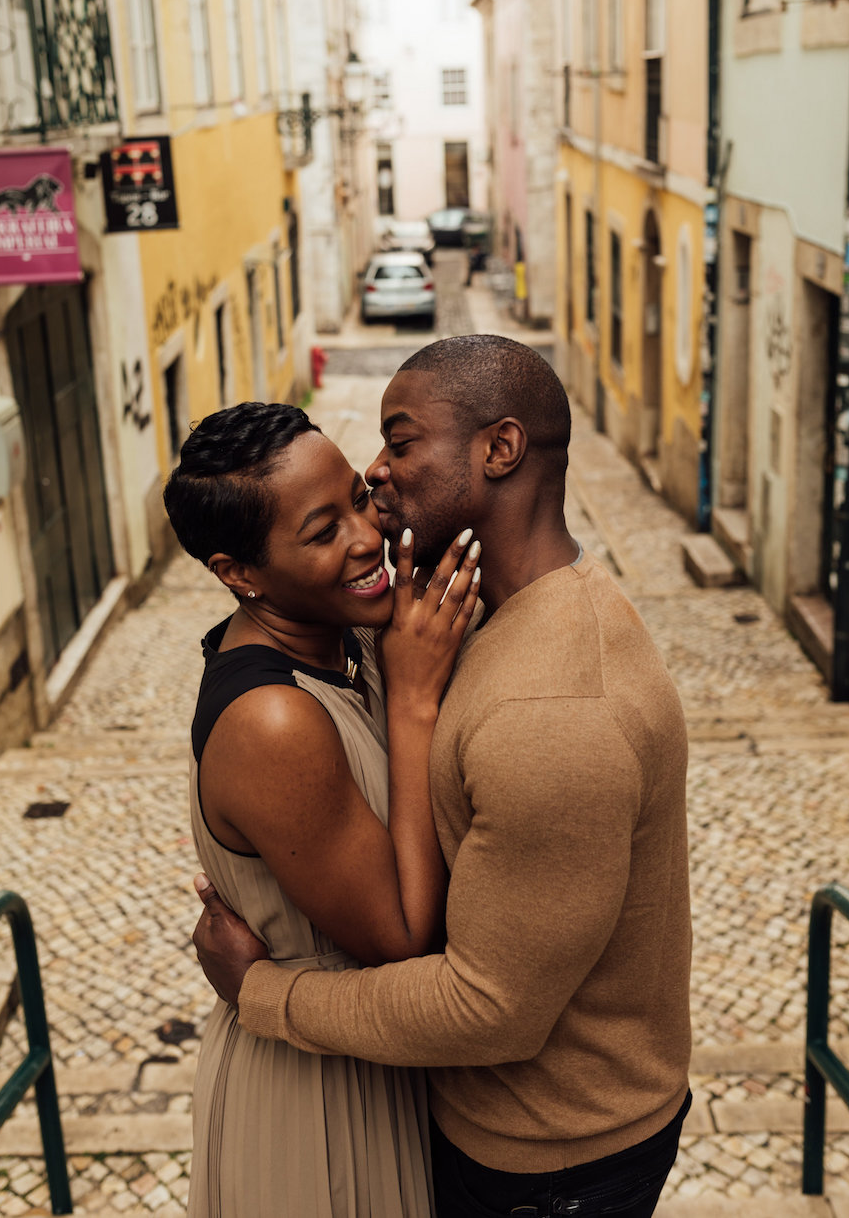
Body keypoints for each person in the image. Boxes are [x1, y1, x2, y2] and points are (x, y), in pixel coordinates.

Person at [193, 335, 693, 1218]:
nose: (378, 480)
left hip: (546, 1164)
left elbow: (488, 1007)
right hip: (439, 1116)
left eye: (398, 442)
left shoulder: (553, 708)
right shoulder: (461, 616)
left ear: (499, 450)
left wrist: (267, 991)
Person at [163, 401, 483, 1218]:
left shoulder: (348, 636)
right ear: (240, 574)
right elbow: (403, 935)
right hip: (314, 1103)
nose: (367, 536)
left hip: (376, 1059)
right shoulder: (273, 722)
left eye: (355, 497)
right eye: (321, 531)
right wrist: (412, 701)